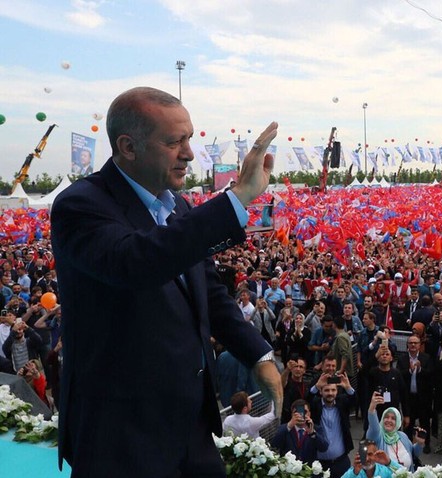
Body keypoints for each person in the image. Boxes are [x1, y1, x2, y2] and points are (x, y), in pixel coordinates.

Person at [51, 87, 282, 477]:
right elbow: (137, 262)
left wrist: (257, 354)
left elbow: (207, 290)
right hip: (121, 433)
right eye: (175, 141)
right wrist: (237, 198)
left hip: (189, 423)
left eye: (189, 138)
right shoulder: (81, 205)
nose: (189, 153)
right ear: (128, 146)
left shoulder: (178, 207)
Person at [365, 392, 423, 471]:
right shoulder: (377, 437)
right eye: (386, 417)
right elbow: (373, 427)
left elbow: (413, 453)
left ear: (398, 422)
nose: (389, 420)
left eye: (393, 418)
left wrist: (420, 443)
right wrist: (372, 408)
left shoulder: (402, 436)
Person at [270, 399, 327, 463]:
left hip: (309, 470)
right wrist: (289, 426)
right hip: (288, 470)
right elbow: (274, 446)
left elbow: (324, 448)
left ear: (309, 414)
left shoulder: (316, 428)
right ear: (292, 414)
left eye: (305, 412)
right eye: (297, 412)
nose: (301, 415)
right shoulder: (284, 428)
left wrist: (312, 433)